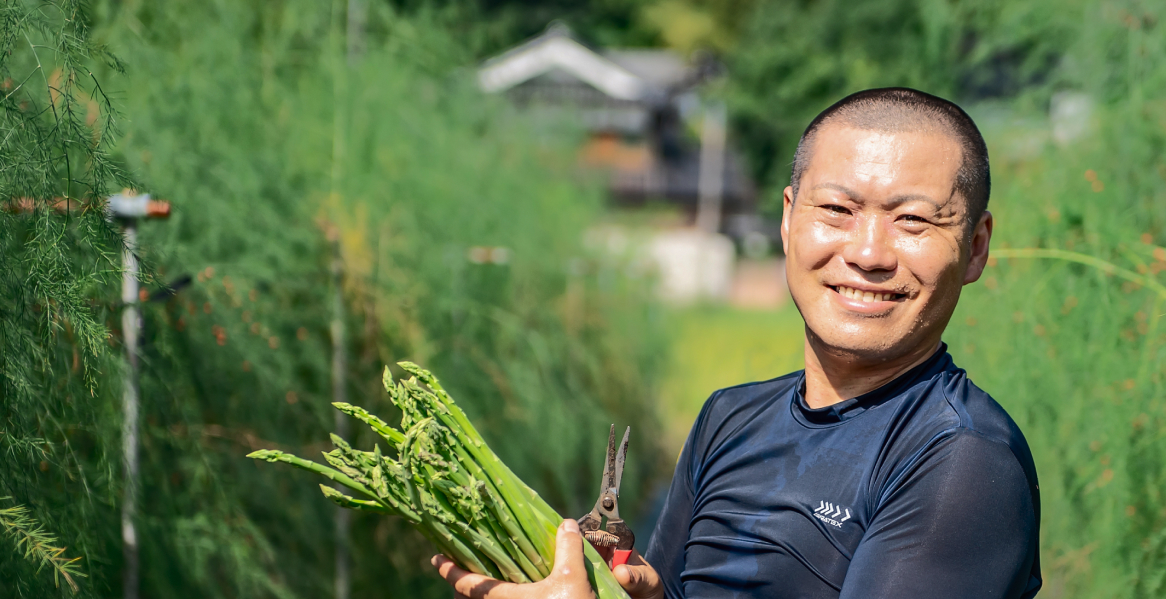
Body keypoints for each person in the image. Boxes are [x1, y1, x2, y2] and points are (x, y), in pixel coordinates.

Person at [434, 87, 1040, 599]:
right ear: (787, 219)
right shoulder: (730, 418)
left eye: (912, 220)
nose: (866, 253)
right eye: (836, 209)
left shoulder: (964, 461)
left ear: (976, 247)